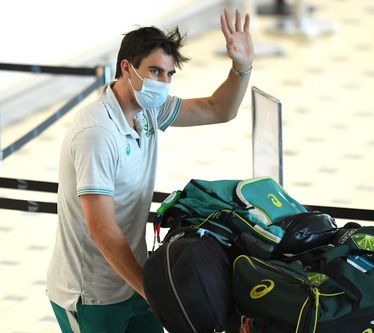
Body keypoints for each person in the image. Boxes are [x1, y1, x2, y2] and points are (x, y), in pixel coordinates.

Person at [46, 8, 254, 333]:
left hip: (134, 279)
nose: (163, 82)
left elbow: (219, 109)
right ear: (127, 68)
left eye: (169, 74)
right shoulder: (97, 132)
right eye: (155, 71)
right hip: (91, 296)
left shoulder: (149, 111)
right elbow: (100, 228)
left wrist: (241, 67)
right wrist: (154, 293)